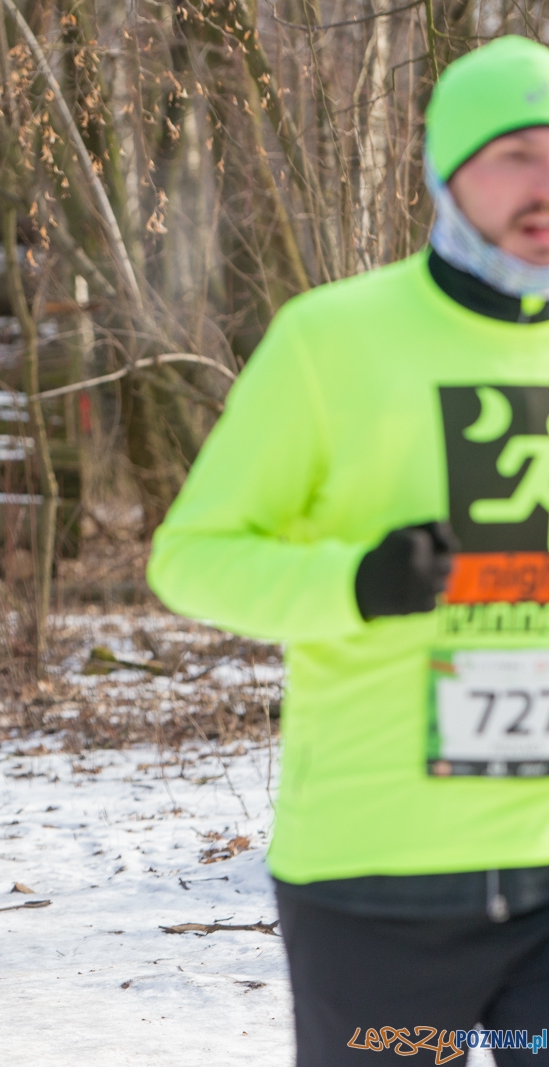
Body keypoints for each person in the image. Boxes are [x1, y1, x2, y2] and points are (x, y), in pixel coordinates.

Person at [146, 37, 549, 1067]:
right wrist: (357, 583)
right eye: (514, 154)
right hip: (379, 876)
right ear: (444, 174)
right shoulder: (333, 340)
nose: (542, 183)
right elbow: (189, 558)